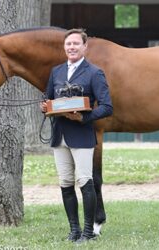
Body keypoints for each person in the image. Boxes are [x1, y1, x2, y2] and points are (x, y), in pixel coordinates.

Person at [40, 28, 113, 243]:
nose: (71, 47)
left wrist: (84, 117)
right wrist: (44, 106)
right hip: (59, 135)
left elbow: (107, 107)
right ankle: (74, 230)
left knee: (84, 181)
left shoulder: (94, 72)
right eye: (68, 44)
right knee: (65, 182)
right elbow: (48, 97)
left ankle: (89, 232)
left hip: (82, 134)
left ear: (84, 47)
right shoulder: (57, 72)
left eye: (76, 44)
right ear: (64, 47)